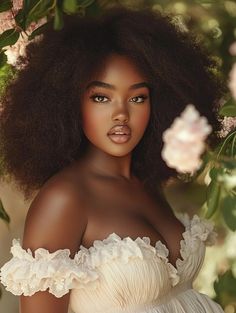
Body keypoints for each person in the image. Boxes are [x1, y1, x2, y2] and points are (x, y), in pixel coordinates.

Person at [0, 6, 226, 313]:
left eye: (137, 98)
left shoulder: (144, 183)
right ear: (67, 102)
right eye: (101, 97)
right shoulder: (64, 199)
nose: (121, 113)